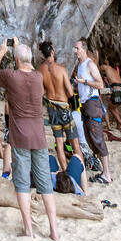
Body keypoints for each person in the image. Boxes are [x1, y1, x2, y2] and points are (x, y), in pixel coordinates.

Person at [0, 38, 58, 241]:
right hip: (39, 135)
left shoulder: (12, 76)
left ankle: (29, 229)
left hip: (20, 136)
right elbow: (24, 66)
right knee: (45, 182)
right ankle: (54, 230)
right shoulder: (38, 76)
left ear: (16, 60)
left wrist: (2, 51)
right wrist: (19, 49)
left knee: (22, 183)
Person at [39, 40, 81, 173]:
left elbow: (41, 92)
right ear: (52, 51)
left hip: (52, 109)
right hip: (63, 108)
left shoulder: (40, 71)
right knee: (75, 144)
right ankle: (81, 173)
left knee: (60, 143)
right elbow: (69, 92)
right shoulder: (61, 69)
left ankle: (65, 173)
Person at [74, 38, 112, 184]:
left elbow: (100, 84)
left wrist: (84, 82)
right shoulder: (80, 65)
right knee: (90, 138)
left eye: (77, 48)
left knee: (97, 138)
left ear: (84, 49)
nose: (75, 51)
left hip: (92, 103)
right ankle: (104, 171)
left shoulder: (90, 64)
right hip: (85, 104)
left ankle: (107, 173)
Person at [98, 56, 121, 133]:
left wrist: (97, 57)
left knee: (111, 108)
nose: (104, 61)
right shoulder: (115, 70)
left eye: (105, 60)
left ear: (108, 62)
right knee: (114, 107)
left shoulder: (106, 67)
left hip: (116, 88)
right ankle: (118, 125)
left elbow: (97, 68)